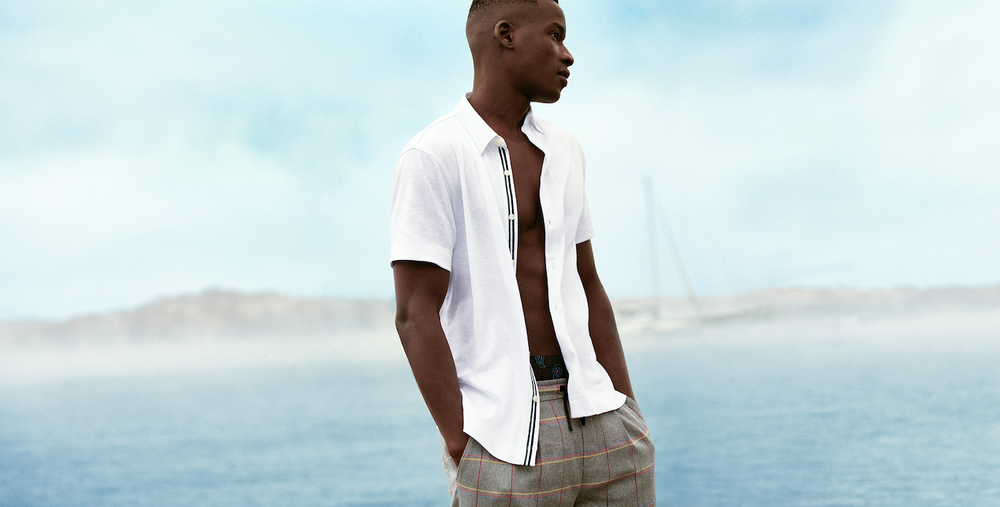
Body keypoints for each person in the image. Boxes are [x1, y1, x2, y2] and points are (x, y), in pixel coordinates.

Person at [389, 0, 655, 504]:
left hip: (602, 420)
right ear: (506, 34)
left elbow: (587, 282)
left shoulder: (565, 150)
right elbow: (414, 312)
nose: (567, 54)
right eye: (554, 35)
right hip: (504, 437)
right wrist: (462, 444)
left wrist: (627, 408)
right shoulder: (433, 155)